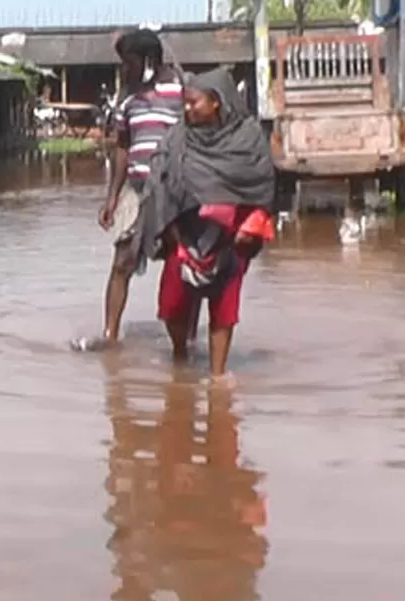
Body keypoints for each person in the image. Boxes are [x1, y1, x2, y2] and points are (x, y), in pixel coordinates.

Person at [154, 67, 276, 379]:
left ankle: (218, 377)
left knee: (223, 311)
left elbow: (262, 185)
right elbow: (162, 181)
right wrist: (169, 228)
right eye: (185, 102)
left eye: (194, 103)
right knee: (172, 306)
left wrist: (250, 225)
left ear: (217, 102)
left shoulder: (248, 138)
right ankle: (180, 357)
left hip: (231, 239)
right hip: (183, 234)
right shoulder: (178, 137)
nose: (187, 109)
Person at [94, 28, 183, 346]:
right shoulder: (126, 98)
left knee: (180, 263)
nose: (124, 70)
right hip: (135, 187)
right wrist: (112, 198)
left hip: (173, 190)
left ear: (148, 60)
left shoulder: (179, 90)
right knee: (122, 262)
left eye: (128, 63)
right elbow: (121, 147)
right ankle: (110, 335)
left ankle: (181, 342)